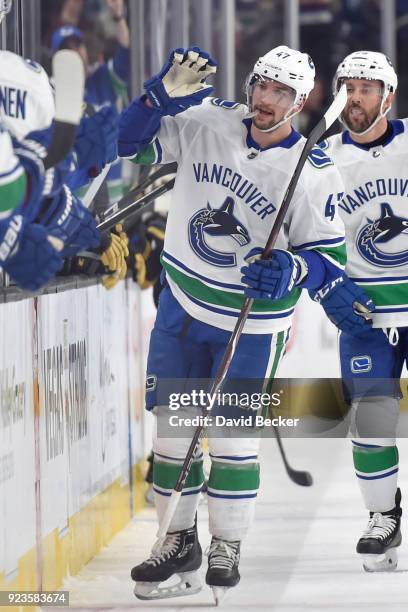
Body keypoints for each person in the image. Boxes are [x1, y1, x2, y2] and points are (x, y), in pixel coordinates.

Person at [118, 45, 372, 602]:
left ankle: (226, 543)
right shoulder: (209, 122)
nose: (264, 98)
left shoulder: (312, 171)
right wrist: (154, 98)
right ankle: (175, 540)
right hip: (183, 305)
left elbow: (325, 260)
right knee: (172, 435)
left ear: (302, 101)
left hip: (253, 326)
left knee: (231, 440)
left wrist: (289, 267)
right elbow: (128, 145)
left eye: (280, 92)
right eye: (260, 84)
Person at [319, 50, 405, 572]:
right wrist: (327, 288)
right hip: (365, 314)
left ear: (387, 96)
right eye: (348, 87)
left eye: (367, 88)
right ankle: (383, 516)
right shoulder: (322, 158)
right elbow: (306, 232)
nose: (355, 97)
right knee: (371, 418)